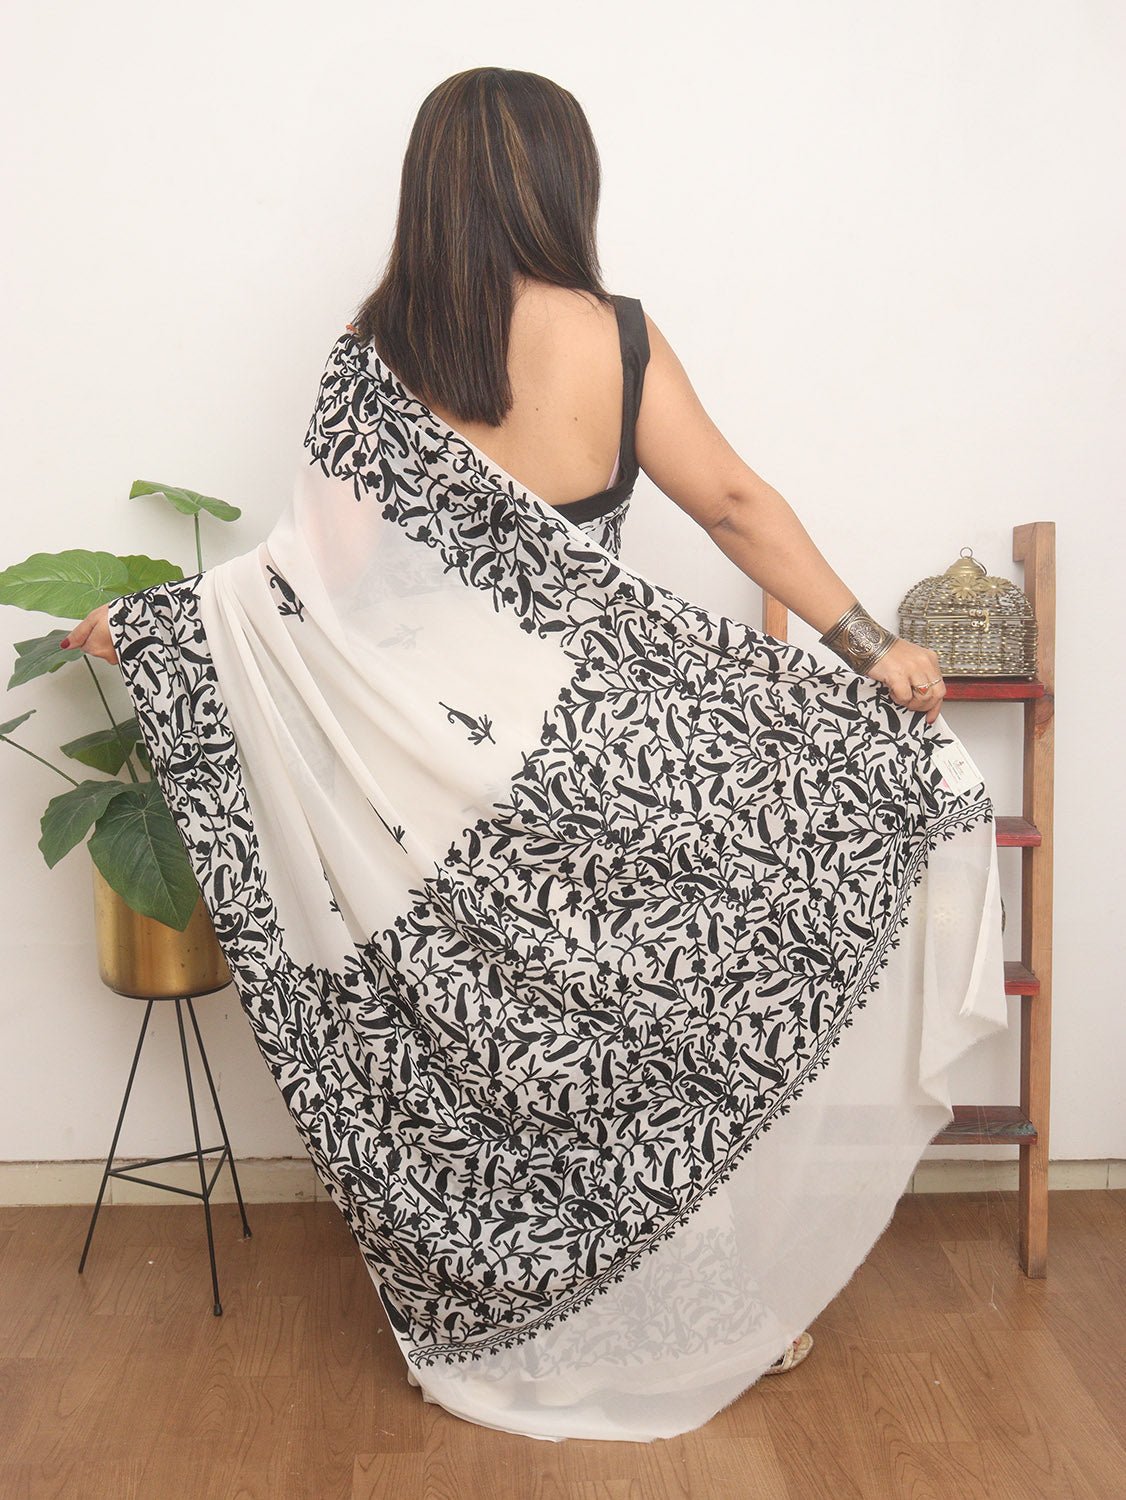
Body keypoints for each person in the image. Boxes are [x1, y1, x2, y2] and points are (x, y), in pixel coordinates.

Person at [62, 67, 1007, 1443]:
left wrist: (153, 630)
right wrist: (869, 645)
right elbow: (733, 504)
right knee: (638, 1046)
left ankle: (533, 1326)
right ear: (566, 180)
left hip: (421, 780)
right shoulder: (615, 338)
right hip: (599, 757)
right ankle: (691, 1315)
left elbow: (314, 579)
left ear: (428, 186)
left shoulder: (379, 350)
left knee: (499, 1064)